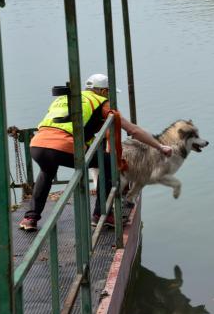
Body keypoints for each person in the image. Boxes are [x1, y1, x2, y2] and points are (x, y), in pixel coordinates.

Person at [19, 73, 172, 232]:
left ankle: (30, 217)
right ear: (104, 92)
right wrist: (160, 147)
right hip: (64, 146)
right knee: (108, 162)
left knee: (46, 171)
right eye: (109, 92)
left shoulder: (64, 98)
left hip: (37, 145)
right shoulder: (101, 102)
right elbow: (133, 130)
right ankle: (101, 215)